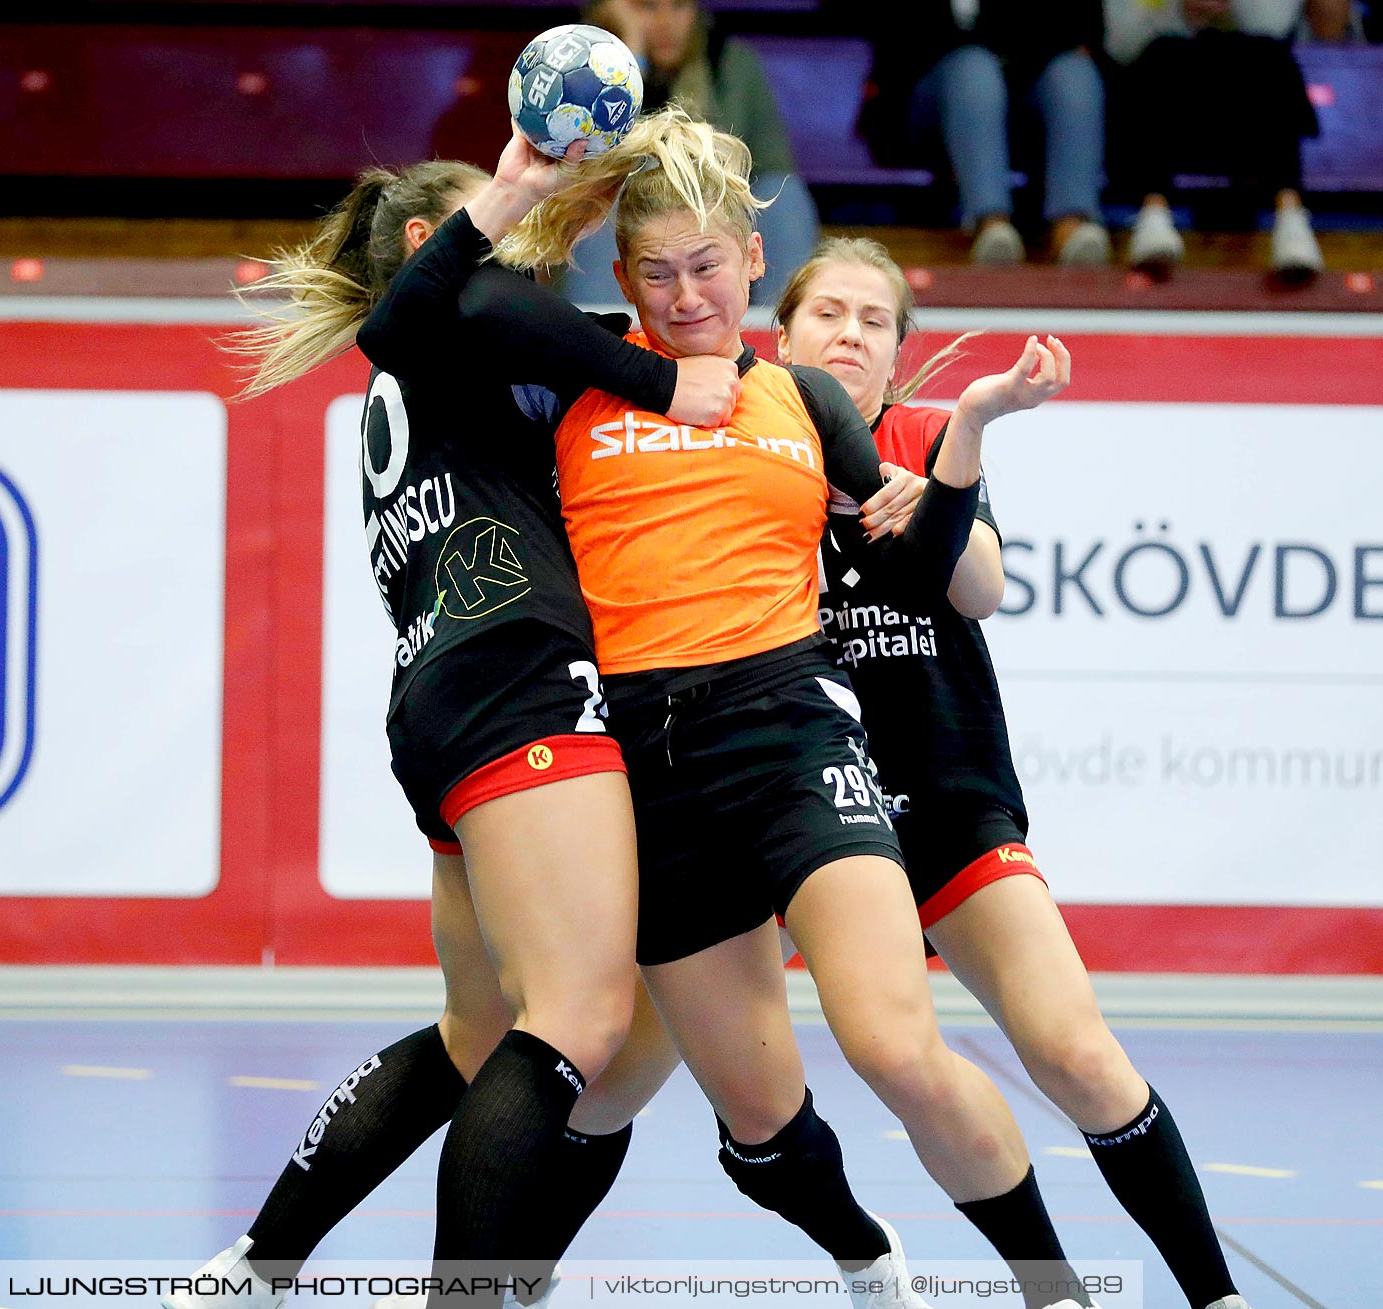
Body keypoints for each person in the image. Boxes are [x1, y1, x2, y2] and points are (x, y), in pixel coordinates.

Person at [488, 107, 1100, 1309]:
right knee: (747, 1116)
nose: (684, 297)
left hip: (795, 734)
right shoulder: (578, 377)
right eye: (654, 273)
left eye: (709, 267)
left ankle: (1053, 1290)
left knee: (894, 1044)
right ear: (622, 278)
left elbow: (943, 579)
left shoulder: (810, 405)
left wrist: (964, 447)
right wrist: (529, 192)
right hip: (653, 770)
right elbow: (441, 318)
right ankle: (547, 1279)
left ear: (755, 263)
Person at [165, 127, 743, 1309]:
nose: (527, 227)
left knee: (479, 1030)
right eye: (499, 209)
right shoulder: (443, 321)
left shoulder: (460, 350)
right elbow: (518, 322)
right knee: (579, 1017)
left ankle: (256, 1266)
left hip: (442, 702)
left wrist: (639, 181)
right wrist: (652, 362)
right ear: (437, 241)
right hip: (518, 682)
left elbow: (597, 330)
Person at [550, 0, 820, 306]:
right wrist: (630, 56)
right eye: (648, 8)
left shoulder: (731, 64)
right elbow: (596, 162)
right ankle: (603, 329)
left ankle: (778, 328)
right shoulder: (582, 74)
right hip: (631, 213)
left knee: (784, 196)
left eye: (678, 7)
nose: (666, 22)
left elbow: (774, 168)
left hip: (717, 210)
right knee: (606, 194)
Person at [1103, 0, 1349, 277]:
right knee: (1161, 56)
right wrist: (1178, 9)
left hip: (1245, 92)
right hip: (1170, 88)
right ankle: (1153, 216)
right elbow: (1120, 44)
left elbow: (1272, 26)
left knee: (1270, 58)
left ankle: (1291, 220)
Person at [858, 0, 1112, 266]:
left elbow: (1079, 30)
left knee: (1074, 74)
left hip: (1025, 92)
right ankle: (991, 224)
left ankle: (1071, 227)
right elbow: (902, 43)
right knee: (974, 68)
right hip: (930, 99)